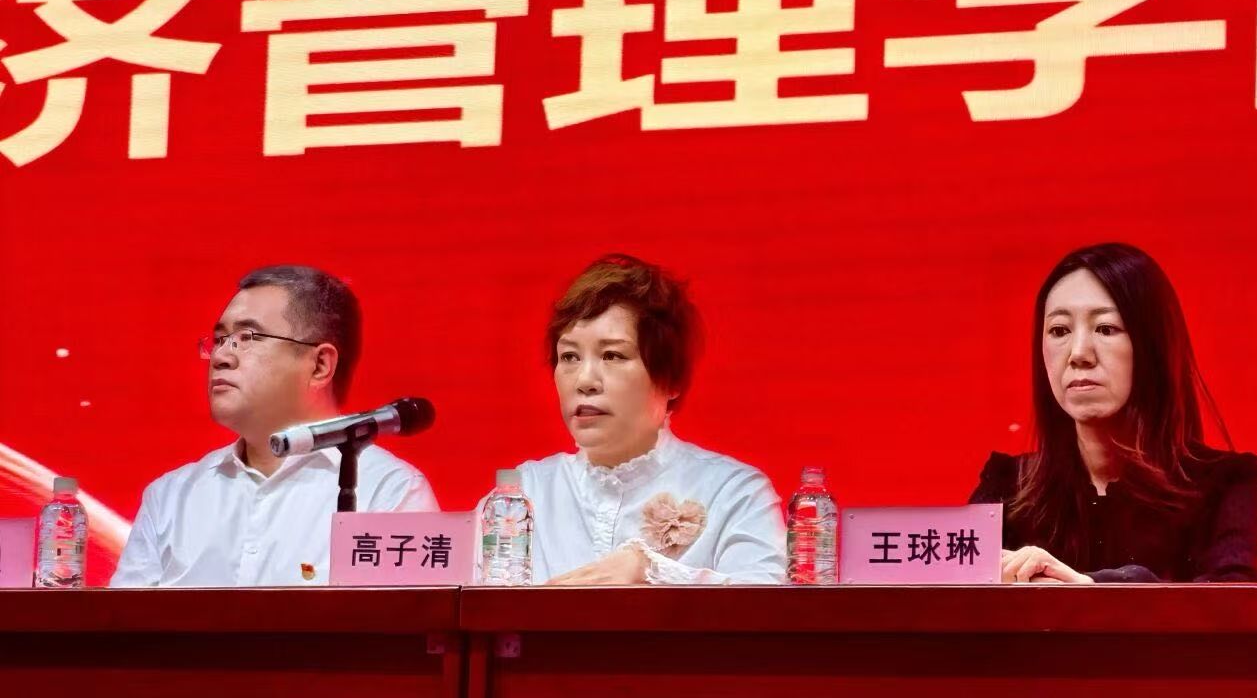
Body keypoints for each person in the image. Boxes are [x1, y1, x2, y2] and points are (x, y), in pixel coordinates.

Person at [111, 264, 437, 586]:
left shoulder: (387, 491)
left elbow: (411, 616)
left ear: (320, 365)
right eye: (220, 339)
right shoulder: (171, 497)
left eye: (247, 337)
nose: (221, 357)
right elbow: (121, 619)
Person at [970, 243, 1257, 583]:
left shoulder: (1224, 486)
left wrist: (1087, 589)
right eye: (1059, 331)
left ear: (1152, 345)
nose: (1078, 354)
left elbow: (1237, 602)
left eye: (1105, 328)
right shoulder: (1008, 488)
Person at [494, 253, 785, 585]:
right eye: (570, 356)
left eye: (612, 355)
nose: (585, 380)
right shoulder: (520, 495)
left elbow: (768, 605)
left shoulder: (732, 493)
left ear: (670, 379)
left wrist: (651, 574)